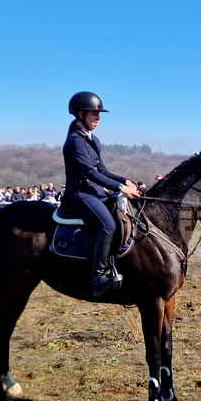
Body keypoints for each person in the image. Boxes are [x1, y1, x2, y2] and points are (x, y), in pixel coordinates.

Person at [60, 91, 141, 297]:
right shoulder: (75, 141)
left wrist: (124, 180)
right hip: (80, 194)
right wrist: (119, 188)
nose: (98, 118)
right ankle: (98, 278)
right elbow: (89, 172)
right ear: (80, 114)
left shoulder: (93, 139)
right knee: (108, 224)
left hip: (94, 192)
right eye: (94, 114)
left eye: (99, 114)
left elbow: (102, 171)